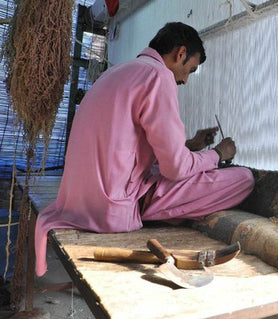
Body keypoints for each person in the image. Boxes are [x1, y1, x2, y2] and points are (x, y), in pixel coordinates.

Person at [34, 22, 255, 276]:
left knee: (188, 169)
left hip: (80, 201)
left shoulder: (118, 72)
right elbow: (176, 169)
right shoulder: (159, 77)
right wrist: (217, 154)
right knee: (243, 179)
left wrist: (191, 146)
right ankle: (159, 210)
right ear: (180, 54)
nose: (184, 79)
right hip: (114, 207)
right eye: (190, 70)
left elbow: (126, 144)